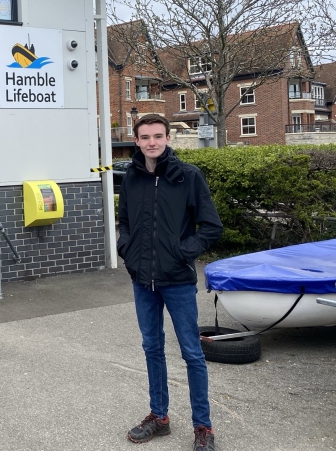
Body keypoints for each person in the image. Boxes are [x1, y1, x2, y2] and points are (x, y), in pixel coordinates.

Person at [117, 114, 223, 451]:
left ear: (167, 138)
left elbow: (210, 226)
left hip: (177, 280)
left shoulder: (187, 176)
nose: (152, 142)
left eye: (158, 136)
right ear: (136, 140)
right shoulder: (131, 177)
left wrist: (182, 253)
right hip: (142, 281)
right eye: (145, 137)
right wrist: (128, 252)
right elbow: (125, 222)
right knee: (152, 348)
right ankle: (159, 417)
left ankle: (203, 427)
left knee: (192, 353)